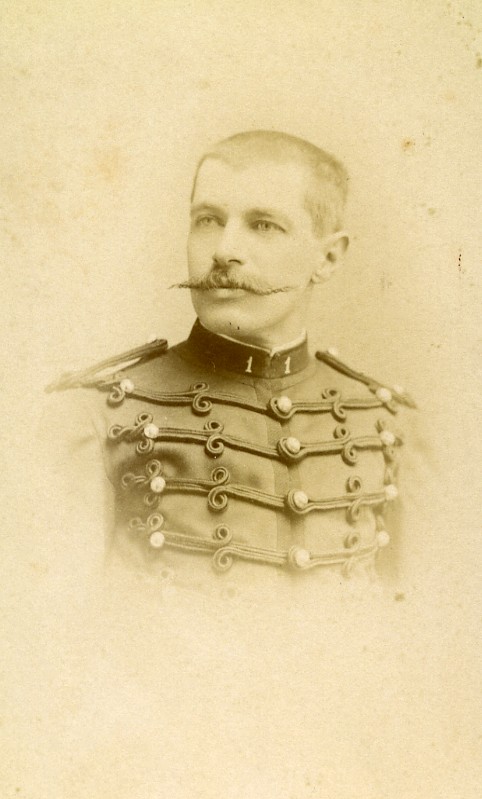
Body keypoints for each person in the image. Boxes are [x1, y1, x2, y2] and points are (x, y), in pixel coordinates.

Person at [46, 130, 418, 598]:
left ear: (327, 258)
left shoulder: (386, 425)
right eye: (207, 220)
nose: (223, 250)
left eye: (263, 225)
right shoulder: (99, 416)